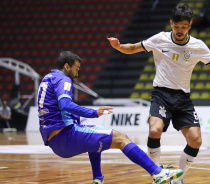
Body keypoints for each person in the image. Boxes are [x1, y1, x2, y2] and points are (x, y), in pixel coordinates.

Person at [107, 3, 210, 184]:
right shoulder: (160, 39)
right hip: (161, 94)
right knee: (154, 129)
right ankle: (157, 175)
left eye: (184, 27)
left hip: (183, 98)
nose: (179, 30)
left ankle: (177, 179)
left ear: (190, 25)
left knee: (195, 140)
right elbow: (133, 48)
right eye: (176, 26)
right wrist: (118, 47)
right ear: (171, 23)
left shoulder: (198, 46)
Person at [37, 51, 183, 184]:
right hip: (66, 136)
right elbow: (65, 104)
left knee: (95, 139)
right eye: (76, 69)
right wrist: (94, 113)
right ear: (67, 67)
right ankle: (157, 173)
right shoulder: (63, 79)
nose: (77, 74)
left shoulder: (48, 78)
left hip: (55, 142)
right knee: (121, 138)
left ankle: (98, 179)